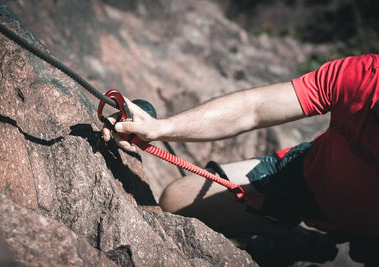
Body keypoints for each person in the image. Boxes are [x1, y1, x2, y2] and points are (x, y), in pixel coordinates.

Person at [102, 54, 379, 264]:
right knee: (177, 200)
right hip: (305, 176)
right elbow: (254, 109)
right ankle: (290, 239)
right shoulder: (362, 76)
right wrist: (161, 128)